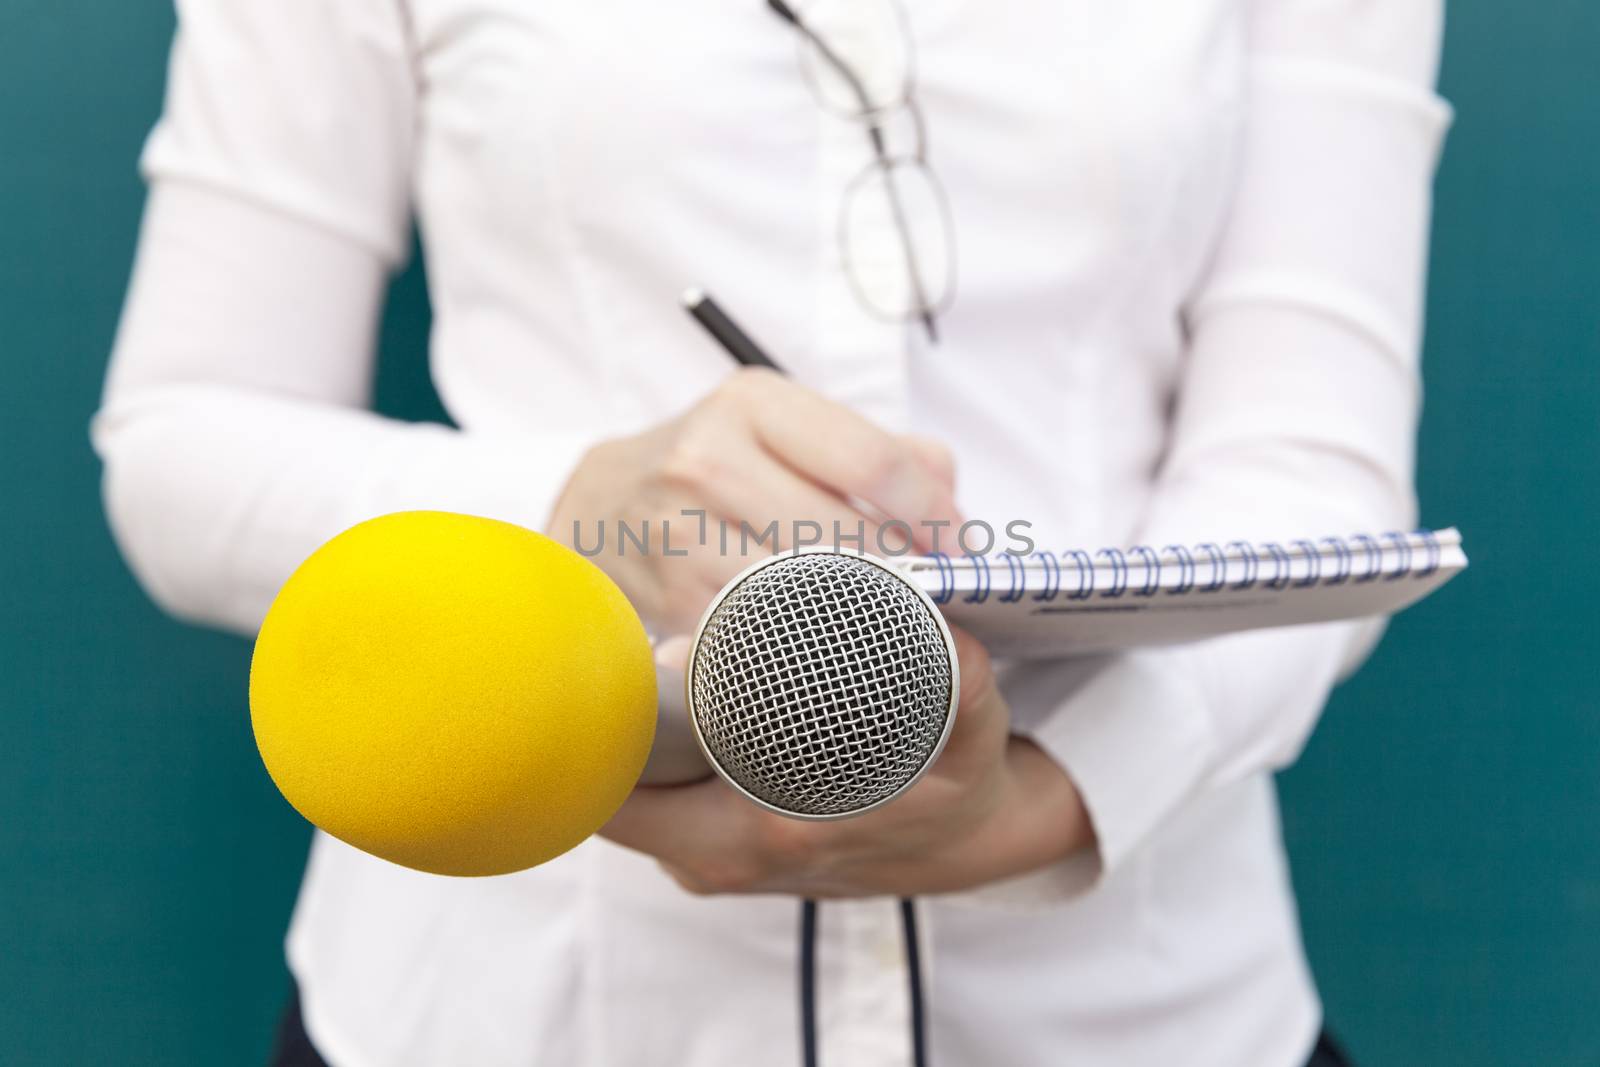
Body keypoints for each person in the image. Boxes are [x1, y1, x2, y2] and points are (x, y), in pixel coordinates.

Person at [93, 1, 1450, 1065]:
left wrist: (1064, 794)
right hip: (517, 1006)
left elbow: (1312, 478)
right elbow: (180, 446)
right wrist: (581, 504)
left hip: (1135, 1010)